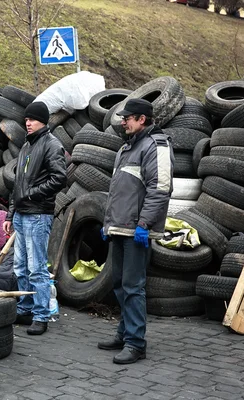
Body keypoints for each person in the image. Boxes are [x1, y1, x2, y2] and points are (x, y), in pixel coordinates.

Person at [99, 98, 174, 364]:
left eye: (127, 117)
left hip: (136, 231)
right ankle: (124, 333)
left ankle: (136, 343)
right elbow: (118, 192)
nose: (123, 121)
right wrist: (108, 224)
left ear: (142, 119)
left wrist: (144, 225)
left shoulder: (157, 146)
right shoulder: (125, 148)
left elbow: (160, 189)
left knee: (133, 287)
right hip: (120, 228)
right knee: (119, 285)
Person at [2, 101, 67, 336]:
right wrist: (11, 213)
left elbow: (59, 178)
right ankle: (26, 308)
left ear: (44, 121)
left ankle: (41, 315)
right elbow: (16, 184)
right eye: (26, 119)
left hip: (38, 215)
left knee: (36, 268)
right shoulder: (26, 147)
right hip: (20, 215)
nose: (27, 123)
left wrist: (31, 195)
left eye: (32, 119)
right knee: (20, 267)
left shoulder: (52, 145)